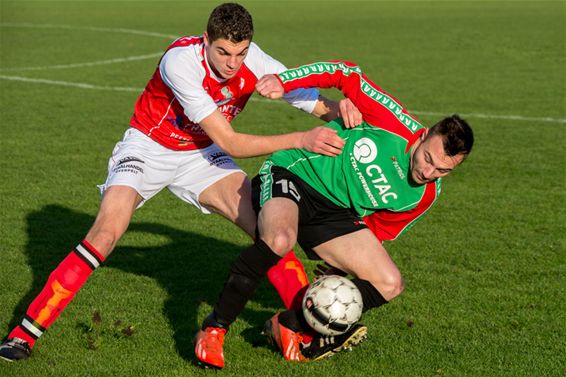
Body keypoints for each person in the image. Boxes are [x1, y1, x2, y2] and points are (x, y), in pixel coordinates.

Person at [0, 4, 363, 362]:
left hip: (202, 156)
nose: (232, 63)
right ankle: (24, 335)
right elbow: (232, 142)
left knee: (270, 231)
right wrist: (300, 139)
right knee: (106, 233)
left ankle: (302, 327)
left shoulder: (256, 62)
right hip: (148, 148)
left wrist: (346, 110)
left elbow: (311, 101)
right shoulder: (181, 60)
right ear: (206, 40)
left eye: (240, 53)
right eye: (222, 51)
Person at [194, 60, 474, 368]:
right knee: (279, 239)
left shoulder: (425, 195)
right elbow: (345, 72)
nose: (427, 171)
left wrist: (339, 269)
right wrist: (283, 81)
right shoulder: (392, 121)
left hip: (333, 213)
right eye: (427, 158)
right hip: (295, 173)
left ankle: (291, 324)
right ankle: (214, 328)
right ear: (421, 137)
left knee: (390, 283)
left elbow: (377, 229)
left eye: (442, 170)